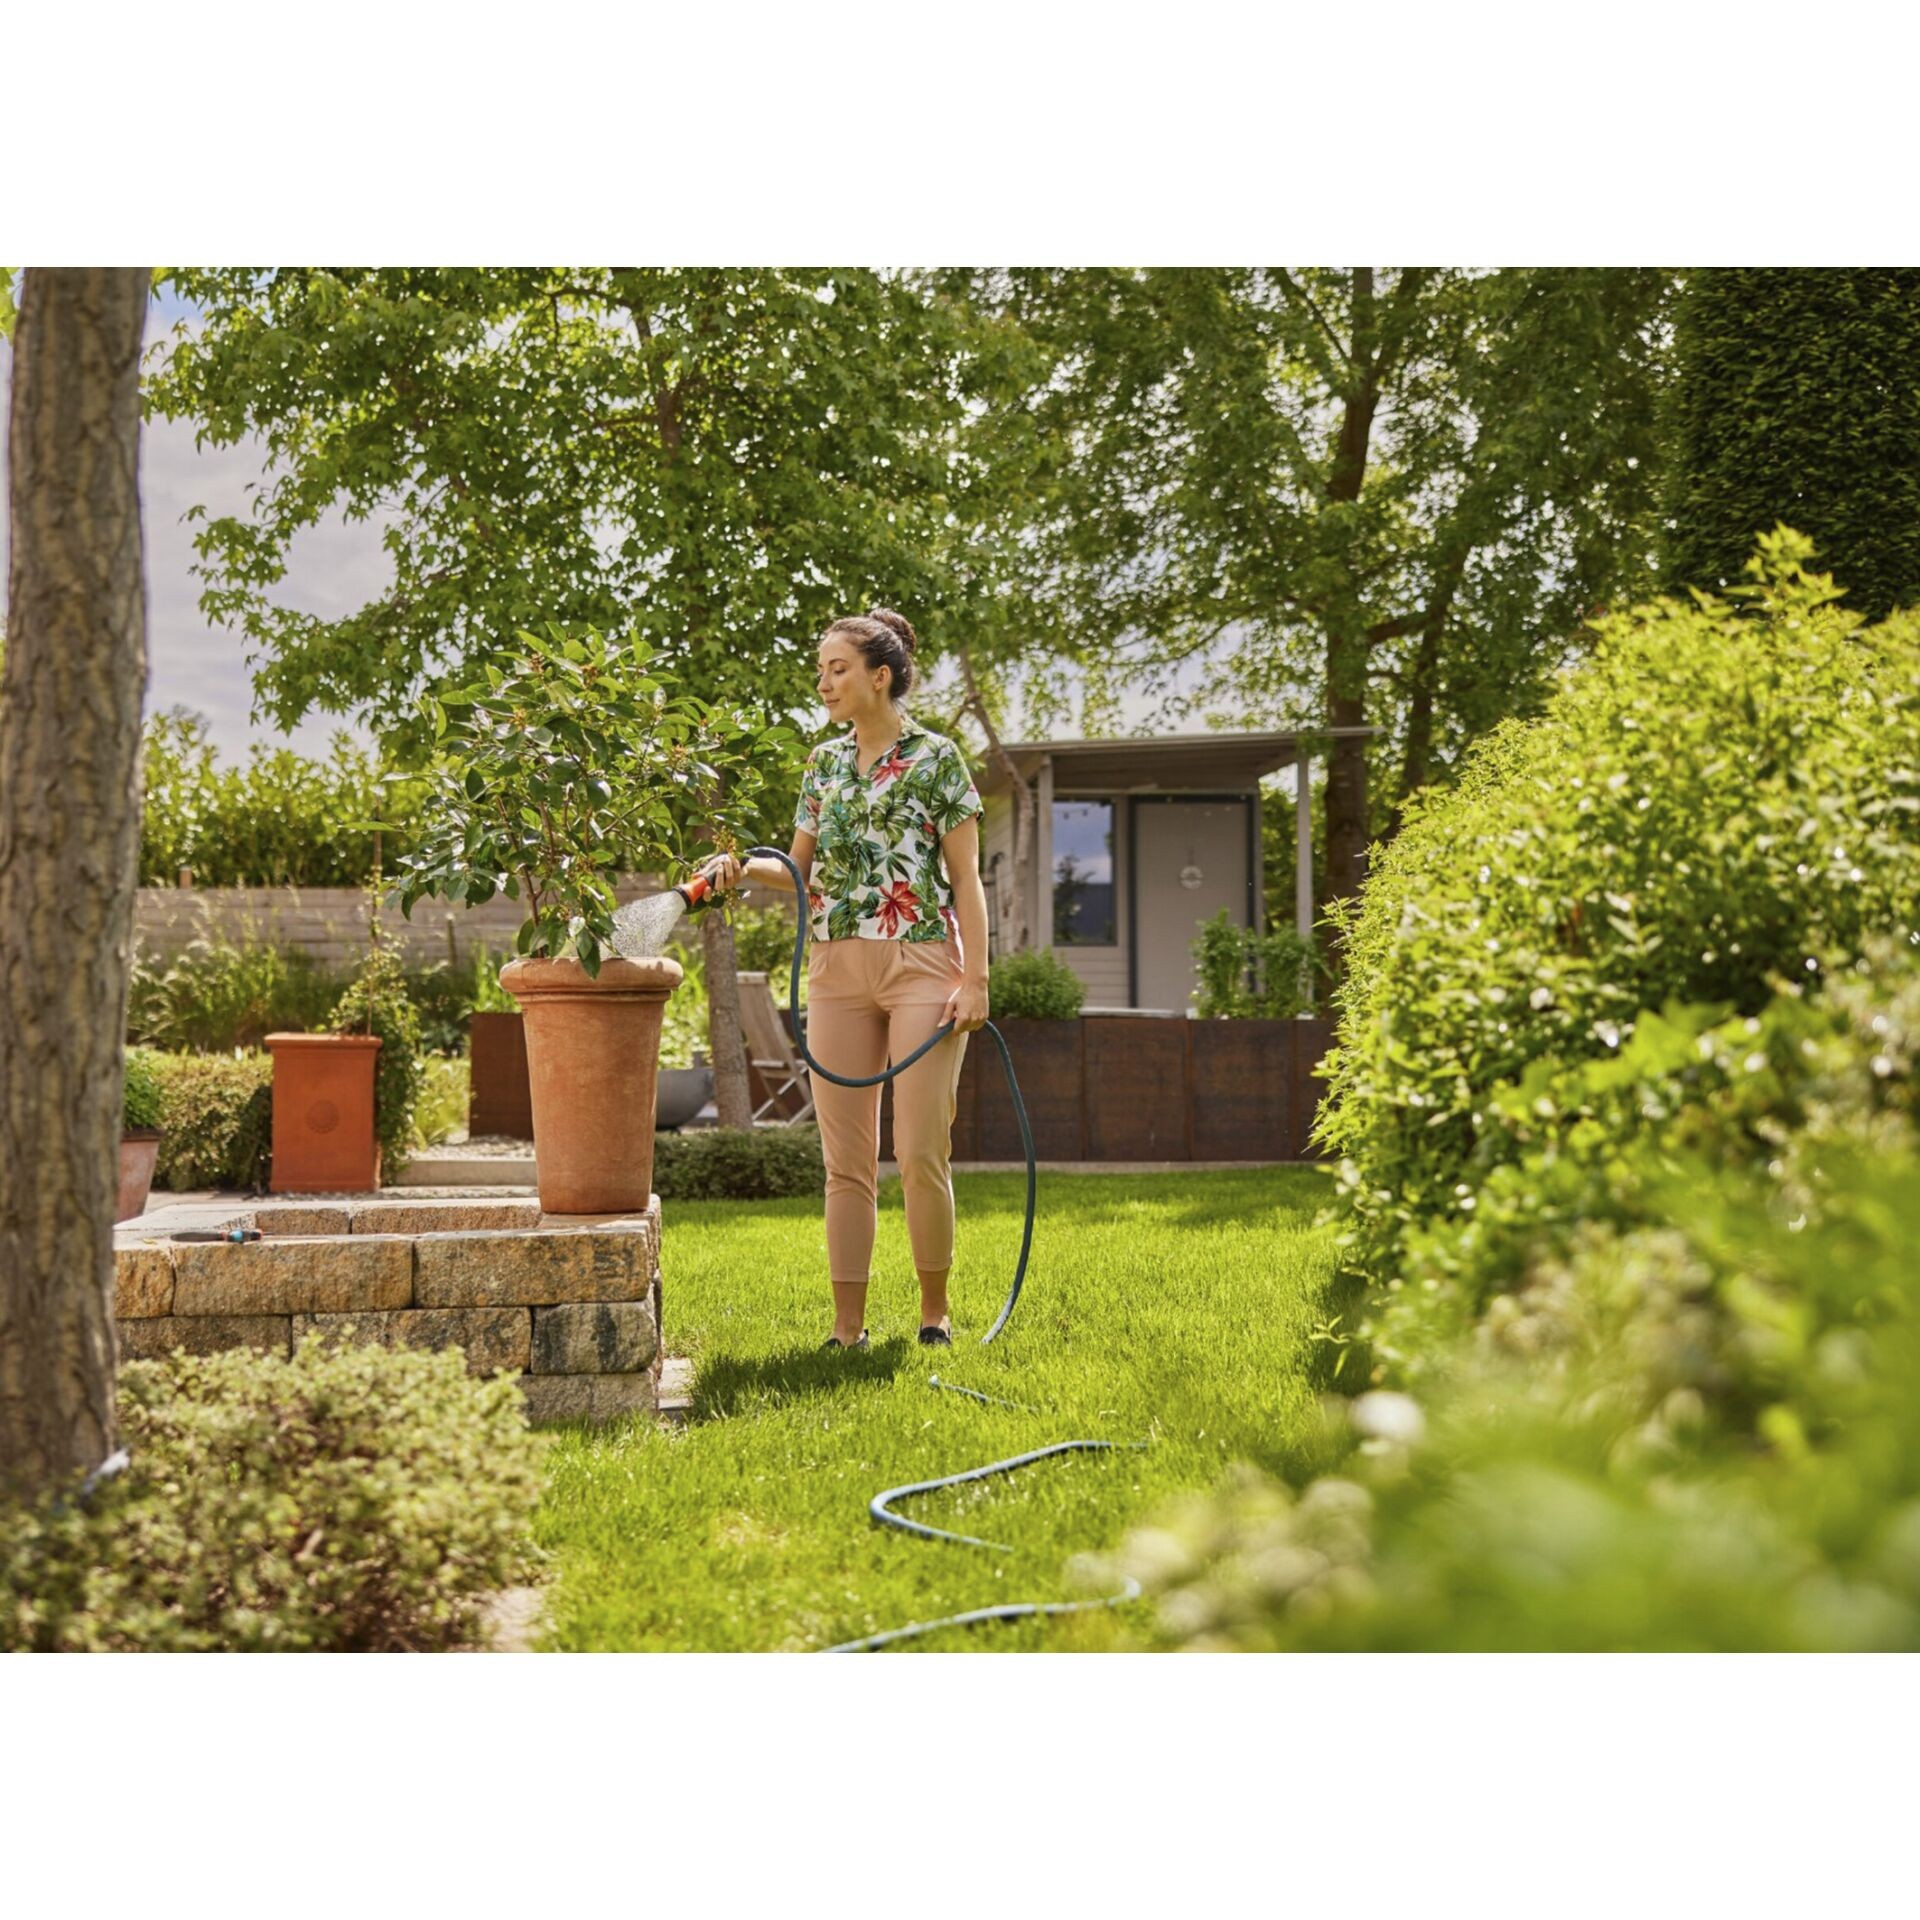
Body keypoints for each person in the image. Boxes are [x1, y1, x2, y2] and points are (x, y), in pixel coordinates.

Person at [701, 607, 990, 1350]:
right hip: (836, 972)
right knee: (845, 1162)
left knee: (919, 1149)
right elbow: (797, 871)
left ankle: (933, 1312)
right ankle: (847, 1326)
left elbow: (966, 879)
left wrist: (977, 979)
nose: (824, 683)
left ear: (880, 676)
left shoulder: (936, 758)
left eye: (838, 669)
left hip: (922, 965)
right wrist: (740, 868)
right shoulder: (823, 763)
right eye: (821, 671)